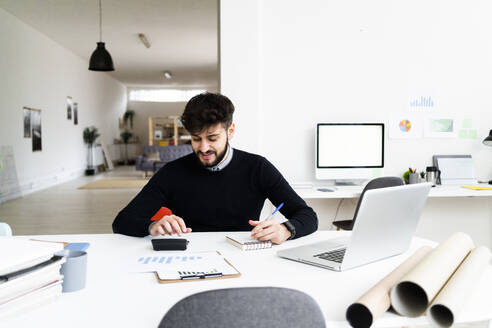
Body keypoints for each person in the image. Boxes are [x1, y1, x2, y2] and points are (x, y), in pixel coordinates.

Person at [112, 92, 318, 244]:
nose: (203, 148)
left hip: (244, 256)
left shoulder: (257, 167)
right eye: (195, 139)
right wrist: (152, 226)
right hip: (189, 257)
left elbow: (307, 216)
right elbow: (122, 221)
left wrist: (285, 229)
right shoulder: (172, 172)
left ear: (230, 131)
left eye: (212, 138)